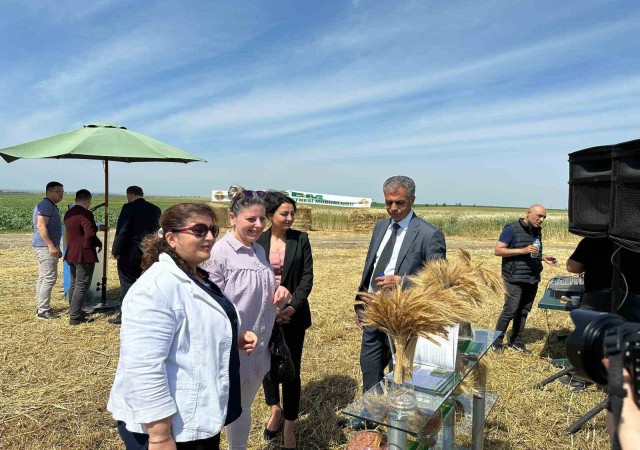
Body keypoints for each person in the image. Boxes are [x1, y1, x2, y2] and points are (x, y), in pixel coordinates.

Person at [107, 203, 258, 450]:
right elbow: (143, 368)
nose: (209, 237)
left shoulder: (196, 276)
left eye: (213, 229)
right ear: (171, 238)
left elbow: (194, 332)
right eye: (199, 230)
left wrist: (234, 337)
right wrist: (160, 436)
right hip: (170, 430)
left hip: (195, 420)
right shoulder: (155, 288)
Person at [340, 175, 446, 430]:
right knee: (370, 366)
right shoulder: (380, 227)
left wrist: (403, 281)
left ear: (412, 200)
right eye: (388, 203)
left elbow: (440, 280)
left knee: (400, 372)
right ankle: (368, 416)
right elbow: (370, 267)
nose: (393, 208)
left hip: (404, 317)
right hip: (374, 311)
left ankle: (397, 424)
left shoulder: (429, 234)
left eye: (399, 203)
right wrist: (361, 305)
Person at [200, 185, 289, 450]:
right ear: (232, 218)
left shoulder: (258, 251)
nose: (258, 224)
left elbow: (261, 294)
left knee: (243, 409)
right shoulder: (218, 254)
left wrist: (278, 294)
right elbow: (209, 306)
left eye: (262, 218)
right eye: (251, 219)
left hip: (258, 350)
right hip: (230, 351)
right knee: (219, 411)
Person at [258, 191, 313, 450]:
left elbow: (306, 279)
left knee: (292, 370)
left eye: (293, 213)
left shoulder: (300, 239)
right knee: (267, 366)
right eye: (284, 213)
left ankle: (290, 423)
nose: (290, 217)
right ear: (270, 216)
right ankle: (275, 410)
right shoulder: (258, 240)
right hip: (263, 314)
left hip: (293, 316)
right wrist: (269, 310)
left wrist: (291, 307)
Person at [493, 204, 558, 354]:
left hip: (532, 277)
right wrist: (522, 250)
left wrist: (543, 257)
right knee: (510, 310)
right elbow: (498, 250)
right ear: (528, 213)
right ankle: (496, 343)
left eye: (544, 217)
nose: (541, 220)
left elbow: (532, 253)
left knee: (523, 311)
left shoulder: (537, 231)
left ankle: (516, 341)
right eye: (539, 216)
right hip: (514, 278)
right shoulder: (511, 229)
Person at [110, 186, 161, 324]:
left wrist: (115, 250)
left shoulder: (128, 208)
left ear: (130, 194)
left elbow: (122, 231)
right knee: (147, 283)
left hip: (130, 253)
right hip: (149, 253)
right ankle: (146, 313)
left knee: (127, 282)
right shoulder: (155, 209)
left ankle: (125, 315)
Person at [566, 237, 640, 322]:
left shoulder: (591, 240)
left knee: (593, 333)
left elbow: (572, 267)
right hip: (635, 302)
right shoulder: (636, 242)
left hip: (595, 300)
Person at [63, 189, 102, 325]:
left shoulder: (69, 213)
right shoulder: (85, 214)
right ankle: (75, 316)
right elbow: (89, 233)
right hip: (83, 255)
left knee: (74, 283)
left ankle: (75, 309)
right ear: (88, 200)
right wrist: (98, 229)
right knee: (81, 285)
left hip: (71, 253)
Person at [32, 181, 64, 320]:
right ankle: (43, 310)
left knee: (43, 277)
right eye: (58, 191)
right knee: (49, 278)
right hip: (45, 247)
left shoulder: (50, 206)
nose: (61, 194)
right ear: (49, 192)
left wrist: (56, 246)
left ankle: (41, 306)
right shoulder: (45, 205)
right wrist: (51, 245)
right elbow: (41, 225)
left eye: (62, 191)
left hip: (46, 246)